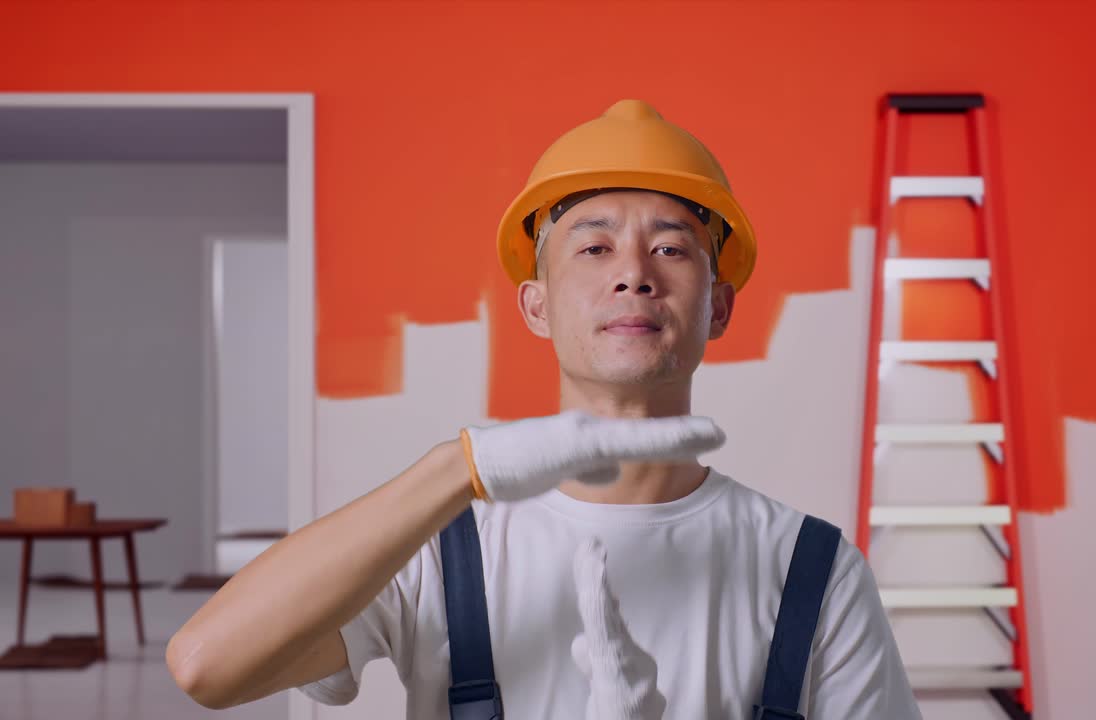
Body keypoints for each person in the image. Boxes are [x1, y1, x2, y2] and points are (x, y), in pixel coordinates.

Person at [166, 99, 921, 719]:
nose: (633, 274)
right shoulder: (438, 547)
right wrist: (458, 468)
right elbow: (206, 665)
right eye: (594, 248)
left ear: (718, 307)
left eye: (671, 248)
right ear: (536, 306)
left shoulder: (811, 567)